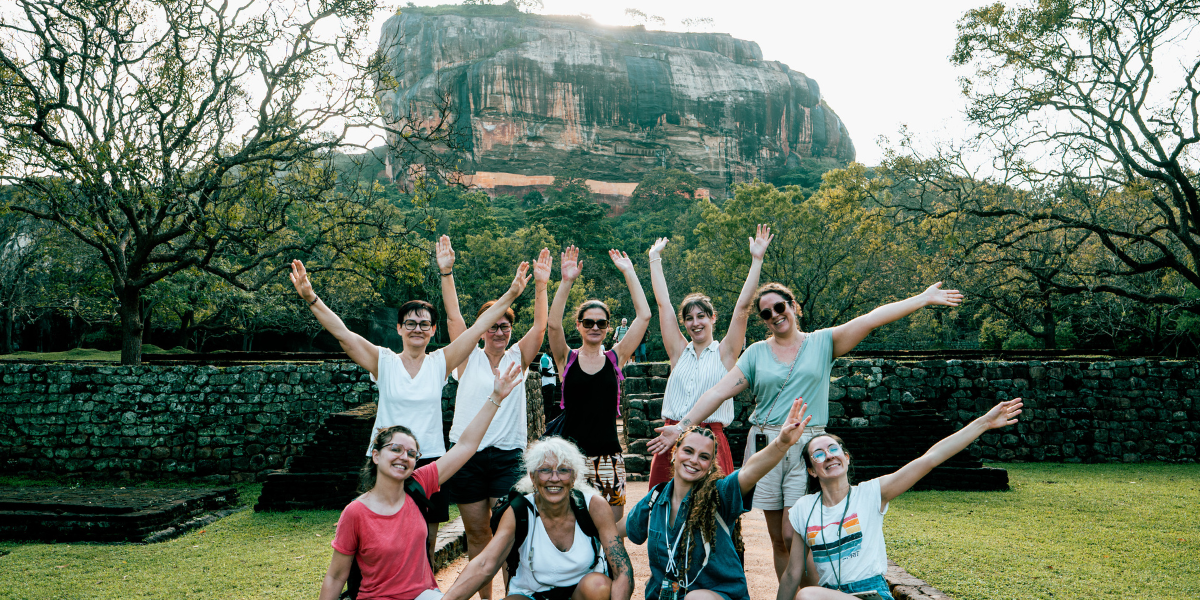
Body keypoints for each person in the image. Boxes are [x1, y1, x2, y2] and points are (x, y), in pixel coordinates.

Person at [647, 281, 964, 578]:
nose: (775, 315)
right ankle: (790, 592)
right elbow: (717, 393)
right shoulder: (757, 352)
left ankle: (810, 592)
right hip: (764, 443)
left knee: (794, 530)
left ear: (793, 306)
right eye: (766, 313)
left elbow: (871, 320)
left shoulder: (823, 342)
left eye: (779, 307)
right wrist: (683, 426)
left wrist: (922, 299)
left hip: (806, 444)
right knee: (778, 539)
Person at [290, 258, 530, 560]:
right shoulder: (384, 361)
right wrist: (311, 298)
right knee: (379, 539)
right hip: (385, 458)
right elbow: (344, 335)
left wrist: (511, 294)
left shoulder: (440, 362)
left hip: (429, 461)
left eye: (425, 324)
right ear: (400, 328)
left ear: (432, 331)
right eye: (411, 323)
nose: (418, 329)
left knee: (426, 541)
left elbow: (480, 326)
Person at [317, 362, 528, 600]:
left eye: (411, 453)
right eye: (395, 448)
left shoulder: (420, 483)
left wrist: (496, 397)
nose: (403, 457)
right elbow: (335, 577)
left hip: (424, 595)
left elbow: (467, 445)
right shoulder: (355, 513)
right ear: (375, 455)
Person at [776, 398, 1025, 600]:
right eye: (818, 454)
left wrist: (982, 423)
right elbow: (791, 574)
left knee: (808, 596)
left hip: (872, 594)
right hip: (832, 596)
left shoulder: (872, 493)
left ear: (847, 457)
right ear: (811, 469)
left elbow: (930, 458)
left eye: (833, 449)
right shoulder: (803, 509)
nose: (829, 456)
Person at [436, 236, 553, 600]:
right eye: (492, 325)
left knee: (508, 534)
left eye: (504, 326)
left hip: (506, 458)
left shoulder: (519, 355)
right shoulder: (466, 357)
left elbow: (540, 327)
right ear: (482, 328)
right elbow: (454, 316)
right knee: (477, 535)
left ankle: (511, 596)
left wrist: (542, 285)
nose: (498, 331)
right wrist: (447, 272)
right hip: (466, 457)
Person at [623, 399, 812, 600]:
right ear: (674, 453)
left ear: (711, 465)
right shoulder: (655, 499)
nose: (694, 460)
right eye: (688, 451)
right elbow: (615, 532)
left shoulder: (719, 494)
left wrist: (781, 444)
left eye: (704, 456)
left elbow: (749, 470)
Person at [645, 225, 772, 486]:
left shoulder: (726, 352)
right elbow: (663, 304)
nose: (695, 323)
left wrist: (756, 260)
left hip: (710, 437)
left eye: (701, 316)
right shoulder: (678, 351)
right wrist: (654, 259)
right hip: (673, 434)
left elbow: (743, 306)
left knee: (713, 510)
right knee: (664, 508)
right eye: (689, 318)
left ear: (713, 318)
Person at [442, 436, 634, 600]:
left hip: (581, 593)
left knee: (599, 586)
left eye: (563, 470)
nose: (554, 478)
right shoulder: (519, 511)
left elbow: (622, 570)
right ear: (533, 477)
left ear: (574, 477)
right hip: (532, 594)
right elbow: (485, 564)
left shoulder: (593, 506)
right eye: (545, 470)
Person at [547, 245, 651, 521]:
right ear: (579, 325)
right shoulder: (565, 359)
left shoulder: (616, 358)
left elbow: (644, 317)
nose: (595, 327)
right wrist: (566, 281)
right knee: (569, 525)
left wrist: (630, 273)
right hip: (570, 459)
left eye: (602, 323)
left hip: (608, 457)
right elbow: (553, 325)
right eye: (589, 322)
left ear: (608, 327)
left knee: (612, 528)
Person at [540, 352, 561, 422]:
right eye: (550, 349)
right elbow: (544, 372)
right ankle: (546, 421)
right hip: (547, 383)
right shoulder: (545, 359)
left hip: (550, 383)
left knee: (550, 403)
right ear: (546, 349)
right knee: (548, 404)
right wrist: (554, 374)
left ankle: (547, 421)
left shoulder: (549, 358)